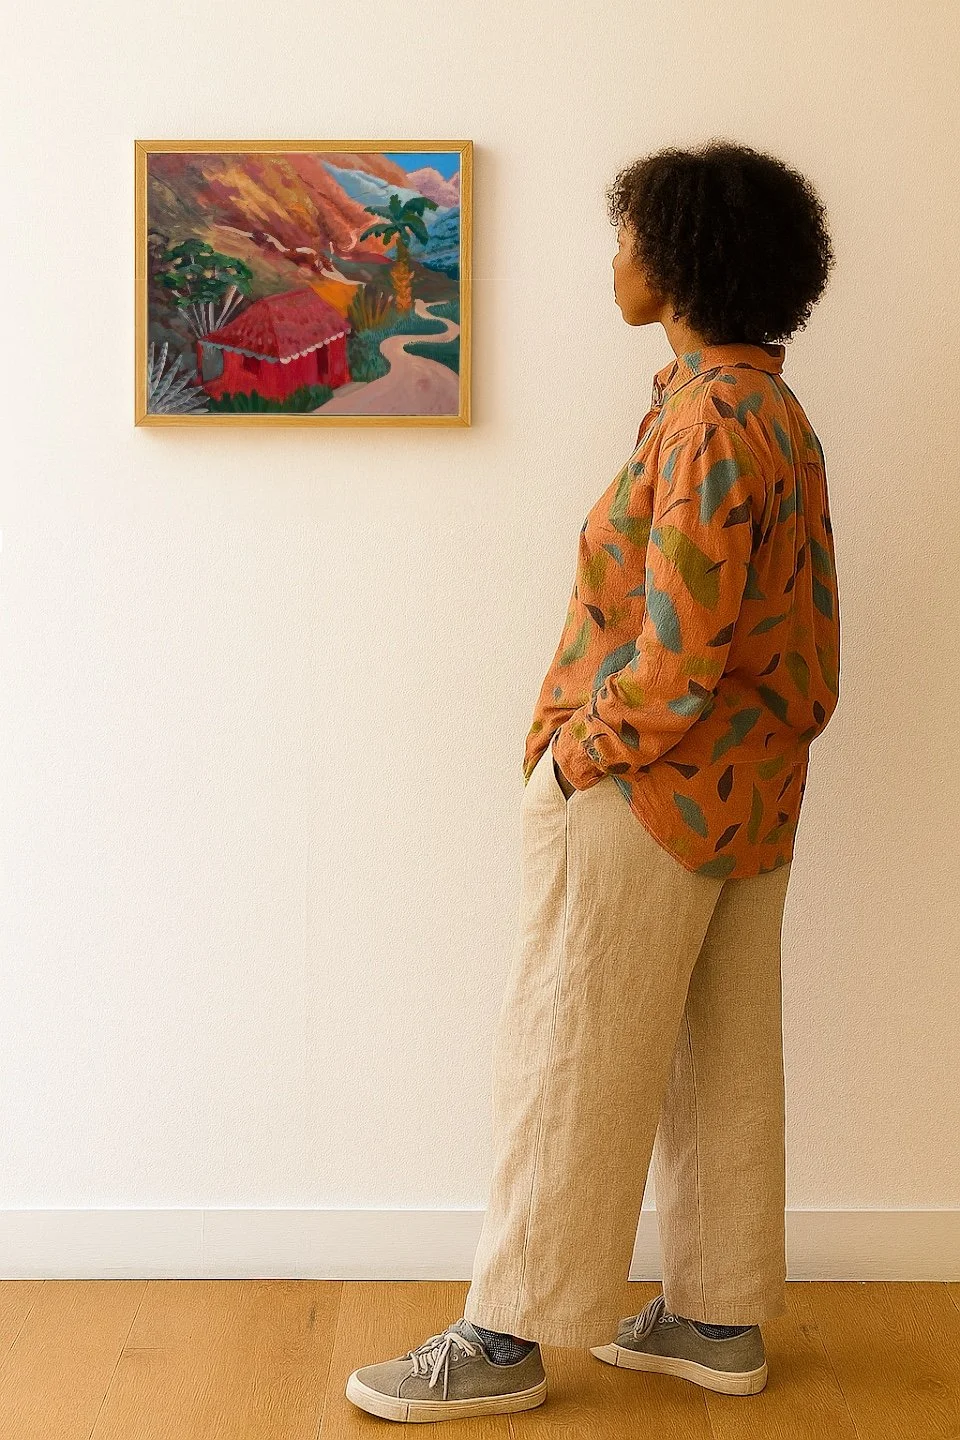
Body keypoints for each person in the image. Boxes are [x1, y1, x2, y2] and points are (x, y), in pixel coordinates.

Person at [346, 138, 840, 1423]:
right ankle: (718, 1318)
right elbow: (802, 642)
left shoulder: (706, 419)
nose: (614, 258)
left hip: (652, 793)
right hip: (755, 798)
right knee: (723, 1057)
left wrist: (574, 753)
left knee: (567, 1050)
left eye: (627, 235)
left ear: (676, 259)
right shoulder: (773, 409)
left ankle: (504, 1339)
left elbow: (675, 657)